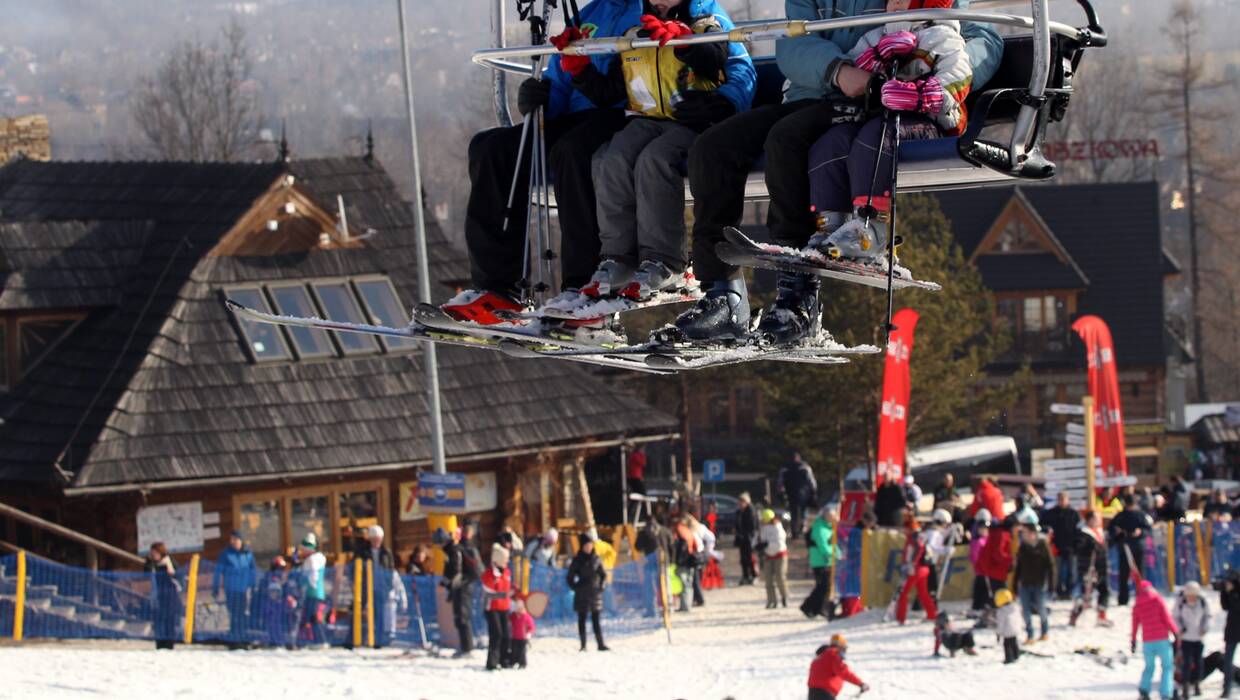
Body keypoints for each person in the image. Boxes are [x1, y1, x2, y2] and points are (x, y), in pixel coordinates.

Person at [671, 0, 1001, 344]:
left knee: (788, 141)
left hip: (872, 102)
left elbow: (982, 38)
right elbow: (792, 43)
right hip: (815, 94)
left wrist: (940, 77)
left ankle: (798, 296)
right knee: (713, 149)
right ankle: (723, 294)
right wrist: (837, 70)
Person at [444, 0, 642, 323]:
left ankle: (584, 287)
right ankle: (496, 288)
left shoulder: (658, 9)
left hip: (628, 115)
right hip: (579, 118)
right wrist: (543, 99)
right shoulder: (591, 14)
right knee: (490, 148)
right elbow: (563, 74)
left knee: (572, 150)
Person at [574, 0, 755, 302]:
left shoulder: (705, 23)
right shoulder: (634, 32)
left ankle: (665, 260)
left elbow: (719, 57)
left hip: (690, 120)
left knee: (654, 160)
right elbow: (612, 88)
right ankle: (618, 257)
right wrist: (579, 68)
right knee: (609, 159)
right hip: (646, 119)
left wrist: (688, 46)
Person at [894, 510, 949, 625]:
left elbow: (914, 553)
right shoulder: (922, 536)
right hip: (924, 568)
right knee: (924, 593)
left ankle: (901, 617)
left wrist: (911, 565)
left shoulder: (914, 539)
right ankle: (932, 614)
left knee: (904, 593)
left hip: (916, 569)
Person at [1132, 580, 1179, 700]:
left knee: (1149, 666)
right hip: (1162, 639)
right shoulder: (1157, 600)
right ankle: (1166, 693)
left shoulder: (1137, 604)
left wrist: (1133, 640)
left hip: (1147, 641)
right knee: (1167, 667)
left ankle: (1144, 690)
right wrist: (1175, 633)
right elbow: (1167, 618)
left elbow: (1135, 624)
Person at [353, 524, 398, 648]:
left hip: (381, 587)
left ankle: (379, 639)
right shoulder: (363, 551)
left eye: (378, 539)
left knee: (380, 613)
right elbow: (356, 566)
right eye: (374, 539)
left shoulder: (386, 552)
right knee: (361, 611)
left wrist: (388, 584)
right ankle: (359, 638)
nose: (377, 541)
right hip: (366, 586)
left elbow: (390, 568)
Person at [442, 524, 482, 657]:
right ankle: (465, 646)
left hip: (463, 587)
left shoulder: (458, 550)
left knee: (462, 617)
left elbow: (456, 570)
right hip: (464, 586)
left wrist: (449, 583)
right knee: (461, 617)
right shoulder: (464, 548)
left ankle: (467, 648)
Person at [213, 530, 257, 649]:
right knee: (234, 613)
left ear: (240, 540)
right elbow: (218, 571)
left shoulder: (247, 554)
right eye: (231, 539)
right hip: (231, 588)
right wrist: (215, 587)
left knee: (242, 614)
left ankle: (242, 638)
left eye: (235, 539)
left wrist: (254, 585)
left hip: (243, 589)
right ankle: (234, 639)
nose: (233, 542)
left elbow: (253, 570)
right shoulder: (226, 554)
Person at [1012, 522, 1054, 644]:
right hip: (1025, 583)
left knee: (1041, 608)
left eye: (1026, 532)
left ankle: (1044, 631)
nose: (1024, 535)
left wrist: (1051, 583)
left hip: (1039, 583)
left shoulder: (1043, 545)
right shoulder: (1022, 547)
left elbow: (1050, 565)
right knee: (1025, 610)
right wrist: (1015, 584)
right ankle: (1030, 634)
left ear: (1033, 533)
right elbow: (1018, 567)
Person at [566, 533, 610, 651]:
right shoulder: (577, 560)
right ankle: (583, 645)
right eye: (586, 545)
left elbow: (603, 575)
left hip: (595, 593)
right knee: (582, 619)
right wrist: (576, 587)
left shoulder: (596, 559)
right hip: (582, 594)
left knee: (596, 620)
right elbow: (570, 577)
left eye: (590, 544)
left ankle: (600, 644)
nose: (588, 547)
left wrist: (601, 586)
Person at [1110, 494, 1152, 606]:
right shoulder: (1120, 516)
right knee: (1124, 574)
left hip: (1138, 547)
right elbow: (1112, 529)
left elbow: (1147, 529)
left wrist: (1140, 532)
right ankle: (1123, 599)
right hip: (1124, 547)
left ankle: (1142, 597)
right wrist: (1117, 532)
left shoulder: (1141, 515)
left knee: (1140, 574)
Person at [1072, 510, 1111, 627]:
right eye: (1096, 518)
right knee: (1086, 594)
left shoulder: (1100, 532)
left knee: (1105, 591)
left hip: (1101, 567)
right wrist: (1089, 546)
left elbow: (1104, 547)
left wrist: (1117, 538)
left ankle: (1101, 615)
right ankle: (1074, 615)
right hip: (1090, 568)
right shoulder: (1083, 533)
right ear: (1089, 520)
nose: (1098, 521)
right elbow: (1079, 547)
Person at [801, 505, 841, 619]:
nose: (833, 519)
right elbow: (823, 545)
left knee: (824, 586)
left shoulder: (829, 527)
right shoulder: (820, 528)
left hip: (827, 561)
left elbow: (833, 543)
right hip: (820, 561)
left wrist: (839, 553)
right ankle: (812, 607)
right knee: (824, 585)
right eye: (831, 517)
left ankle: (814, 608)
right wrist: (834, 554)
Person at [1174, 580, 1211, 698]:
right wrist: (1180, 628)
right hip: (1185, 638)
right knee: (1187, 663)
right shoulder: (1181, 603)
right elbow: (1175, 617)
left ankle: (1196, 683)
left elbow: (1207, 616)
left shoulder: (1203, 602)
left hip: (1198, 638)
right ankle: (1185, 685)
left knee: (1199, 662)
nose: (1191, 598)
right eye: (1189, 595)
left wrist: (1204, 628)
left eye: (1193, 595)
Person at [1041, 492, 1080, 600]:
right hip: (1056, 547)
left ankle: (1069, 591)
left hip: (1071, 547)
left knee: (1072, 572)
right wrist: (1047, 530)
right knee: (1056, 571)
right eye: (1060, 499)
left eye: (1064, 499)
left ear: (1068, 499)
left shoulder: (1073, 514)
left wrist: (1077, 544)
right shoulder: (1051, 513)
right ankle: (1057, 591)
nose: (1062, 501)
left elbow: (1079, 530)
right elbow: (1042, 525)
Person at [807, 634, 869, 700]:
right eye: (844, 648)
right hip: (825, 694)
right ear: (840, 646)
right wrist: (860, 683)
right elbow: (843, 672)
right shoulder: (833, 654)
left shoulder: (820, 656)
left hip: (812, 693)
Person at [481, 543, 514, 670]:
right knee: (496, 634)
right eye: (505, 559)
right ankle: (492, 662)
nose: (507, 561)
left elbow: (507, 589)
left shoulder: (507, 572)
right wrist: (504, 594)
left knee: (506, 634)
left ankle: (504, 660)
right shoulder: (488, 574)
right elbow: (488, 594)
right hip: (492, 609)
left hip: (505, 608)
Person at [145, 542, 182, 650]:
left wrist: (173, 573)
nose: (153, 554)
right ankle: (159, 644)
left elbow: (178, 576)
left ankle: (169, 644)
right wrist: (149, 560)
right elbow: (146, 569)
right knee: (158, 621)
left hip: (170, 596)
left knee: (169, 621)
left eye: (155, 552)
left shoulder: (170, 562)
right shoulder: (152, 564)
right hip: (158, 597)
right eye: (152, 552)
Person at [295, 532, 328, 649]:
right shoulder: (317, 559)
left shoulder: (312, 560)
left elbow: (313, 574)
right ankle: (314, 640)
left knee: (311, 616)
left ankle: (317, 640)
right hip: (317, 592)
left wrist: (310, 584)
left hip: (312, 592)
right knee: (311, 616)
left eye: (303, 549)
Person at [262, 555, 300, 649]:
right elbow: (264, 590)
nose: (279, 570)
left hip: (282, 605)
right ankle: (274, 641)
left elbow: (292, 591)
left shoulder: (287, 579)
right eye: (277, 568)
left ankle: (287, 641)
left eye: (281, 568)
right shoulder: (268, 577)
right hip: (271, 604)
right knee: (272, 622)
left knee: (287, 623)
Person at [779, 453, 818, 536]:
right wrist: (813, 491)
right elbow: (812, 481)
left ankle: (794, 530)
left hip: (791, 494)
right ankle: (802, 529)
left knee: (793, 513)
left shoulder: (785, 468)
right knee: (803, 512)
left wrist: (781, 492)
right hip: (804, 494)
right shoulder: (805, 467)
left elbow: (780, 482)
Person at [758, 507, 789, 609]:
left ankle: (784, 597)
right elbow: (761, 539)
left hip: (780, 555)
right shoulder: (763, 528)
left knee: (780, 577)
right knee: (768, 579)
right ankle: (771, 600)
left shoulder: (778, 528)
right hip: (768, 555)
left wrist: (768, 544)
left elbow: (779, 544)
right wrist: (759, 545)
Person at [672, 516, 702, 611]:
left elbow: (681, 547)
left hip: (684, 561)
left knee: (684, 584)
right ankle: (687, 604)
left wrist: (677, 560)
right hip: (691, 560)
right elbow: (696, 545)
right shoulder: (689, 531)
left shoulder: (680, 530)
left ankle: (685, 606)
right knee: (688, 584)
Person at [1220, 571, 1240, 698]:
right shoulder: (1230, 590)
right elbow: (1225, 606)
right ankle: (1226, 687)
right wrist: (1224, 592)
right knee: (1227, 660)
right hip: (1232, 629)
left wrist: (1232, 593)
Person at [969, 508, 992, 615]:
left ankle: (985, 607)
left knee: (986, 590)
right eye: (981, 529)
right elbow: (974, 556)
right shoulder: (977, 541)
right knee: (980, 588)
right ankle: (977, 607)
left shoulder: (988, 539)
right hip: (980, 570)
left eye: (985, 529)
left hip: (987, 569)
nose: (983, 531)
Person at [735, 491, 759, 585]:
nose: (740, 504)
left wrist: (749, 536)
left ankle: (754, 575)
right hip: (741, 538)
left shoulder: (751, 511)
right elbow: (737, 524)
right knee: (743, 559)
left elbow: (753, 526)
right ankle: (745, 576)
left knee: (751, 558)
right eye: (739, 502)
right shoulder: (739, 512)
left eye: (742, 502)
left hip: (750, 538)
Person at [994, 588, 1021, 664]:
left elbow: (1000, 624)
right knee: (1014, 642)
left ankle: (1009, 658)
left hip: (1007, 632)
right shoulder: (1015, 607)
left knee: (1007, 645)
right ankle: (1016, 655)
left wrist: (998, 633)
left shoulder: (1001, 611)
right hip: (1016, 629)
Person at [508, 596, 536, 669]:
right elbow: (508, 620)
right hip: (514, 637)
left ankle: (522, 664)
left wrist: (529, 633)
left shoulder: (526, 617)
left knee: (522, 652)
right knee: (514, 651)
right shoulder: (513, 616)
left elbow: (531, 626)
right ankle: (512, 662)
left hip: (523, 638)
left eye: (520, 608)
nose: (519, 610)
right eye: (517, 608)